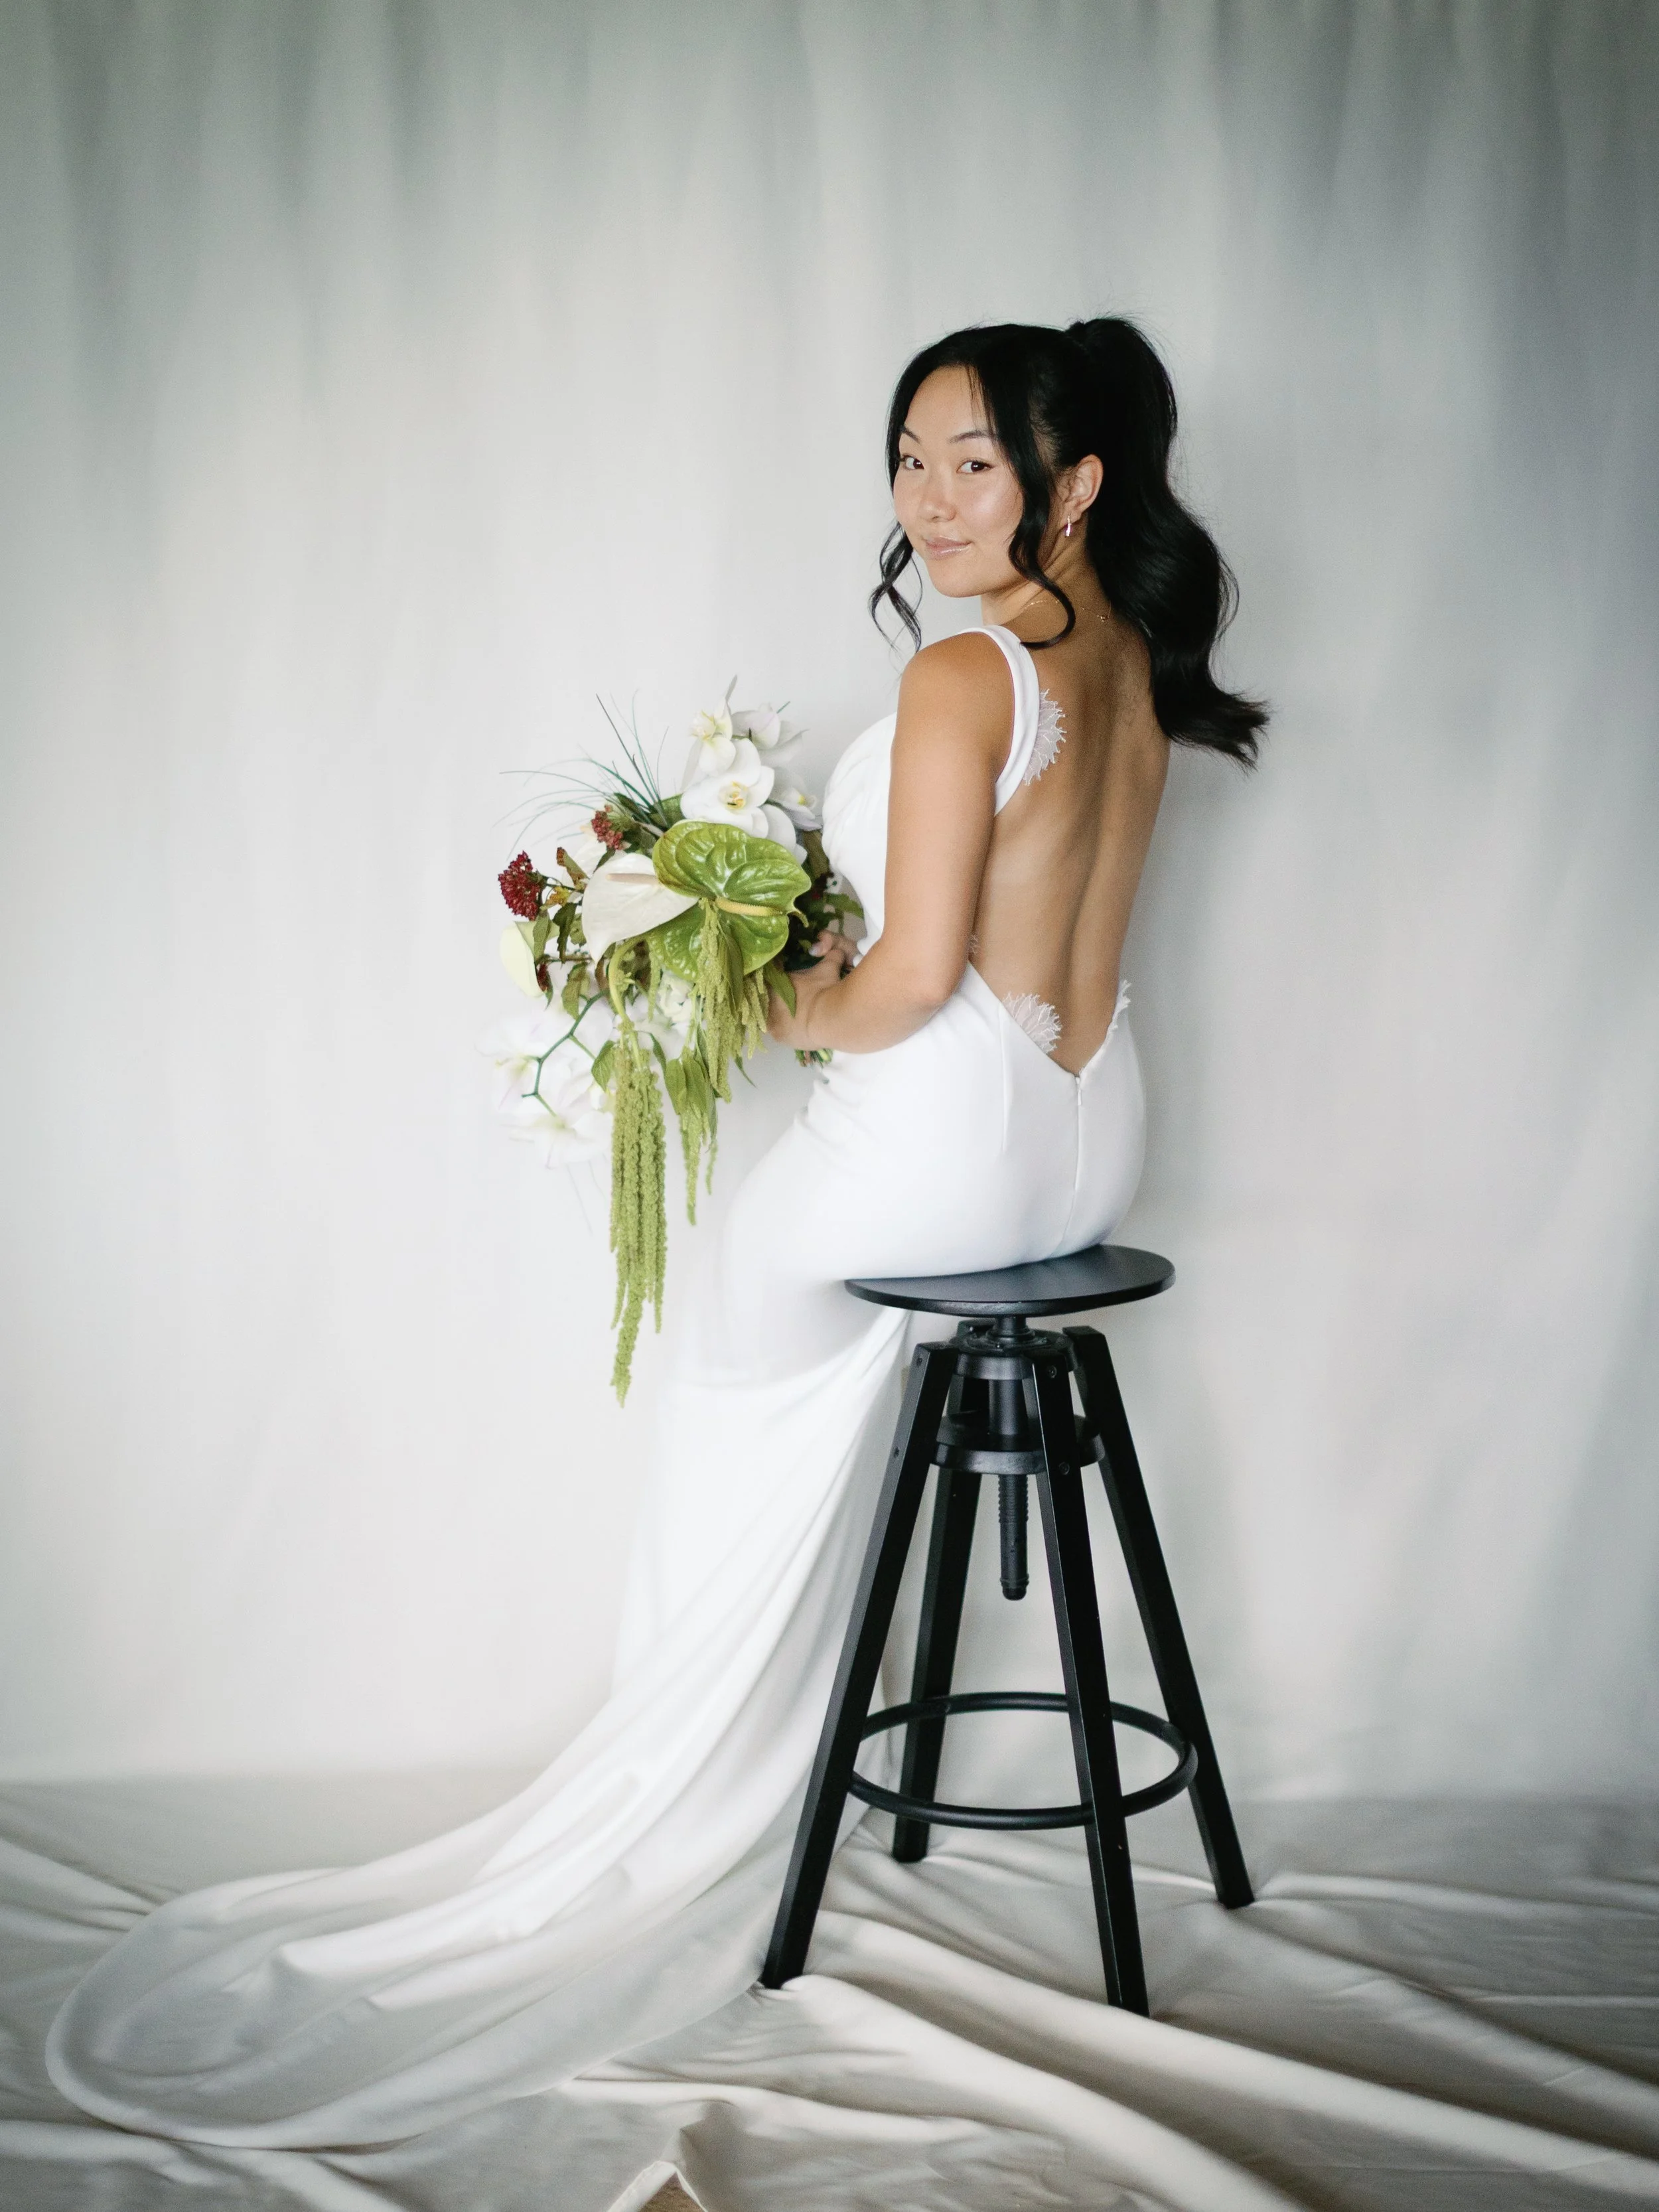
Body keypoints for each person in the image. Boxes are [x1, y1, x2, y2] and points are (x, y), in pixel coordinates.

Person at [46, 319, 1263, 2148]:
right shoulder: (1139, 672)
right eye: (911, 457)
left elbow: (908, 984)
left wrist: (721, 1006)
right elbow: (1012, 948)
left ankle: (670, 1796)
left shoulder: (961, 679)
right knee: (808, 1372)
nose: (931, 501)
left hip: (943, 1139)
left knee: (724, 1363)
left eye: (976, 464)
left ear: (1073, 484)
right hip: (1093, 1135)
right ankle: (766, 1748)